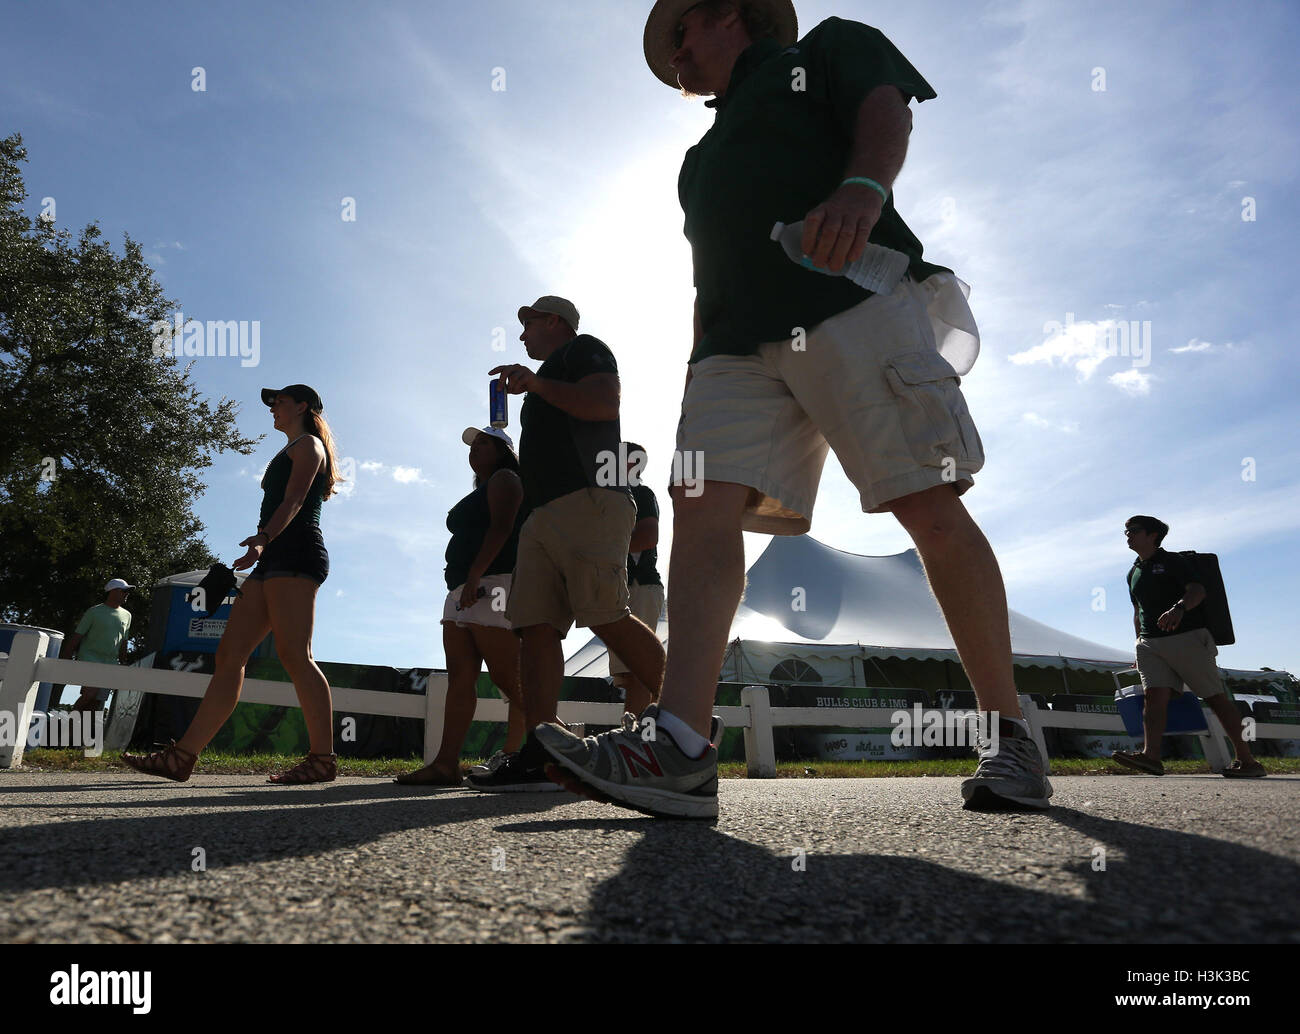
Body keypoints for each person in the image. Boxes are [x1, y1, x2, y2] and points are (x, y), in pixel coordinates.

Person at [536, 1, 1050, 818]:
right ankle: (680, 745)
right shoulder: (696, 159)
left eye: (679, 34)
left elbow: (885, 109)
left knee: (925, 502)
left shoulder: (829, 49)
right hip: (732, 349)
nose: (674, 57)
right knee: (699, 507)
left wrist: (861, 188)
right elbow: (709, 264)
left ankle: (1010, 732)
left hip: (850, 294)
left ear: (727, 13)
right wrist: (700, 357)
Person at [466, 296, 666, 792]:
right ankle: (540, 748)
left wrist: (534, 382)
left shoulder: (586, 350)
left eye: (528, 324)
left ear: (554, 321)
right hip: (542, 514)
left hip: (591, 497)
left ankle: (687, 723)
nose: (522, 335)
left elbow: (604, 404)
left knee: (604, 612)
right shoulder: (545, 382)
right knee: (534, 627)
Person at [123, 384, 342, 784]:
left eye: (279, 401)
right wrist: (260, 548)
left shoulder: (309, 445)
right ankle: (182, 757)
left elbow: (293, 502)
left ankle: (322, 760)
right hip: (273, 557)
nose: (272, 408)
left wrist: (263, 539)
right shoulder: (290, 447)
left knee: (295, 655)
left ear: (302, 406)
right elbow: (280, 506)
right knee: (230, 656)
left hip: (297, 555)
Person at [396, 427, 529, 786]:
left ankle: (561, 746)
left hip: (493, 583)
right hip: (461, 588)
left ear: (503, 450)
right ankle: (445, 763)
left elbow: (502, 529)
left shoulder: (506, 478)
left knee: (507, 677)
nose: (475, 449)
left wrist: (475, 576)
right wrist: (466, 581)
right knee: (460, 679)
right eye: (473, 444)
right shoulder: (481, 488)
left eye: (485, 443)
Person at [1113, 516, 1265, 778]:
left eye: (1134, 530)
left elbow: (1197, 591)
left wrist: (1179, 608)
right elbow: (1137, 611)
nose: (1127, 534)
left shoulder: (1173, 561)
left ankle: (1248, 760)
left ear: (1152, 535)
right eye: (1126, 531)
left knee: (1214, 698)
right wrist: (1138, 643)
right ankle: (1151, 757)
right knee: (1153, 698)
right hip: (1149, 644)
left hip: (1187, 638)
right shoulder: (1133, 572)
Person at [608, 442, 665, 718]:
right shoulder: (612, 497)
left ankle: (637, 738)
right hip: (624, 586)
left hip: (639, 585)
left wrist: (602, 549)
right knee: (629, 672)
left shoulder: (641, 494)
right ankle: (639, 736)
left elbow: (648, 536)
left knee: (638, 669)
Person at [62, 578, 134, 712]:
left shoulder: (127, 615)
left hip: (111, 663)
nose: (126, 594)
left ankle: (78, 731)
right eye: (124, 591)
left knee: (96, 702)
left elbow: (124, 641)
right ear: (112, 592)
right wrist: (65, 659)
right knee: (90, 693)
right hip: (89, 659)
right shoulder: (93, 612)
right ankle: (68, 724)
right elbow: (77, 636)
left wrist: (123, 663)